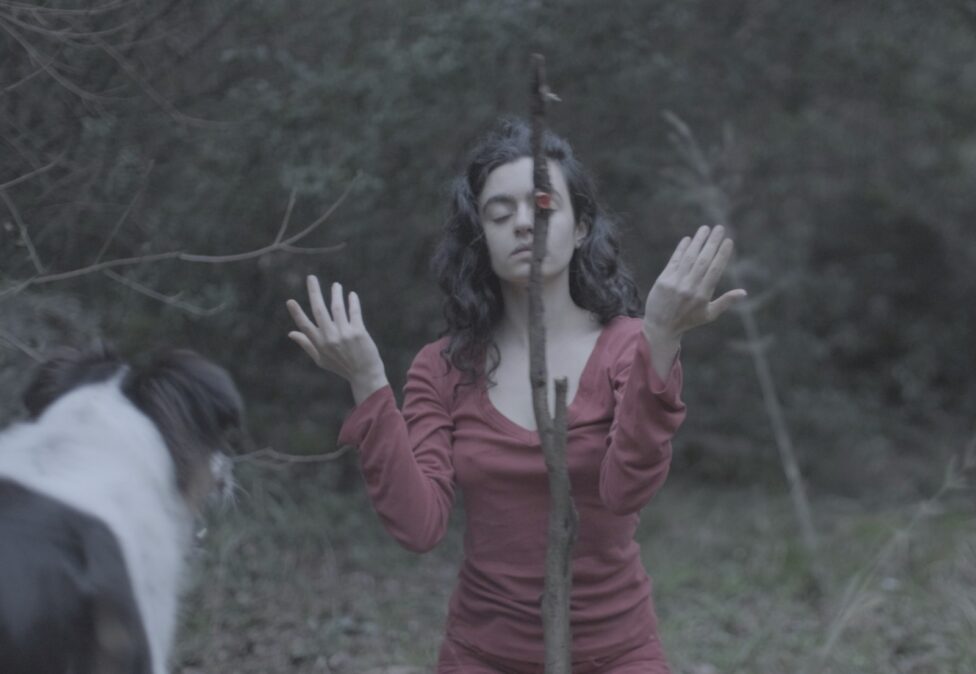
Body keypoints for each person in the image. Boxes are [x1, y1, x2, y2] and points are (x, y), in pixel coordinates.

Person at [286, 118, 746, 674]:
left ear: (580, 228)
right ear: (482, 239)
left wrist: (664, 338)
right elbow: (418, 526)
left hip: (616, 653)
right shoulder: (444, 366)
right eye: (500, 214)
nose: (524, 223)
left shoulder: (629, 347)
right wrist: (367, 381)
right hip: (483, 655)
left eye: (543, 204)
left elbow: (626, 491)